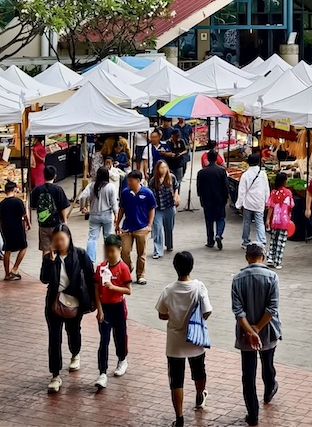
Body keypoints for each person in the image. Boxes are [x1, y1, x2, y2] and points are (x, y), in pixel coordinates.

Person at [156, 251, 213, 426]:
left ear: (175, 267)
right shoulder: (199, 287)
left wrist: (173, 317)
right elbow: (207, 311)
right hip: (195, 340)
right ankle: (199, 395)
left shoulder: (168, 290)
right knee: (199, 371)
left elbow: (161, 314)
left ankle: (179, 418)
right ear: (192, 267)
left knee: (176, 380)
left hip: (174, 343)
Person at [39, 223, 95, 394]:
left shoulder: (80, 254)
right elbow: (44, 279)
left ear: (69, 238)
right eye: (56, 240)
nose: (60, 243)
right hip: (54, 303)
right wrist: (50, 261)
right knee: (54, 338)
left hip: (74, 301)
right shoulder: (50, 257)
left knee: (73, 331)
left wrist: (93, 302)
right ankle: (55, 375)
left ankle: (75, 353)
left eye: (62, 239)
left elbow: (91, 277)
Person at [231, 243, 281, 426]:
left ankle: (252, 414)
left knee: (248, 373)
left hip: (245, 335)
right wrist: (258, 329)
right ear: (263, 256)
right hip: (267, 331)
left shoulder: (237, 279)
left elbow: (238, 312)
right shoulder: (272, 277)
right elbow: (272, 309)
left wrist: (250, 331)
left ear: (247, 257)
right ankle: (269, 389)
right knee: (268, 363)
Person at [93, 234, 132, 390]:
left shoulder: (123, 268)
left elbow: (129, 290)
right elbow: (96, 289)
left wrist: (113, 287)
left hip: (118, 308)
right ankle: (102, 373)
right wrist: (99, 309)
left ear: (119, 250)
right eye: (106, 251)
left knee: (120, 336)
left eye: (112, 251)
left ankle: (122, 359)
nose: (109, 254)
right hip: (105, 309)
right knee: (104, 340)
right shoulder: (101, 267)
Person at [115, 170, 156, 285]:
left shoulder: (147, 193)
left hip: (142, 228)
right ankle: (129, 266)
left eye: (131, 180)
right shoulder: (125, 193)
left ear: (138, 181)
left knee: (141, 253)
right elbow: (122, 209)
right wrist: (117, 223)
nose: (129, 182)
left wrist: (149, 224)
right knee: (124, 251)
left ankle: (140, 275)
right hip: (127, 227)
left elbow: (152, 208)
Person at [79, 167, 119, 262]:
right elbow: (114, 203)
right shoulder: (110, 187)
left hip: (94, 215)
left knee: (92, 238)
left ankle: (90, 259)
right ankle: (108, 259)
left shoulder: (91, 186)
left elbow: (82, 196)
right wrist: (116, 215)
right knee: (108, 238)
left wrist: (83, 207)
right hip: (107, 215)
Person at [31, 165, 70, 255]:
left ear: (43, 175)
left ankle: (46, 266)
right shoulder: (58, 189)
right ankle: (56, 266)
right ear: (55, 176)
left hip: (43, 224)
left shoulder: (37, 189)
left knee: (45, 249)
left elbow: (34, 206)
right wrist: (65, 220)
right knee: (58, 247)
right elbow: (62, 207)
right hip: (56, 224)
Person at [235, 153, 269, 248]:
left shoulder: (245, 175)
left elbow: (241, 191)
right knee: (259, 222)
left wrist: (238, 204)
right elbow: (266, 189)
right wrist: (267, 201)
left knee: (246, 222)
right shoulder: (263, 174)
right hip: (259, 202)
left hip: (248, 203)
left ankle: (246, 241)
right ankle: (261, 241)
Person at [197, 150, 229, 250]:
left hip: (207, 199)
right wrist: (227, 197)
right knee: (220, 218)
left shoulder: (201, 172)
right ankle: (219, 234)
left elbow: (199, 188)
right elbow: (225, 186)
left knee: (209, 220)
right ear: (216, 159)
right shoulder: (221, 171)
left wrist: (201, 198)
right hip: (220, 199)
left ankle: (210, 241)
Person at [0, 180, 30, 281]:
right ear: (14, 189)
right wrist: (28, 224)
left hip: (6, 228)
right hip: (18, 227)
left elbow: (0, 218)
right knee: (23, 247)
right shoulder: (18, 201)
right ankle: (15, 268)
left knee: (7, 250)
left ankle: (7, 274)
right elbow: (24, 215)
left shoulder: (2, 204)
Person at [151, 159, 180, 259]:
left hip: (169, 206)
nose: (163, 170)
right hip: (158, 208)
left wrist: (176, 196)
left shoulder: (171, 177)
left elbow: (176, 187)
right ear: (157, 169)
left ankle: (169, 244)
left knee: (169, 227)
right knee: (157, 229)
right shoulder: (153, 180)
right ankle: (158, 251)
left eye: (165, 167)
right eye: (161, 168)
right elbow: (150, 195)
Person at [265, 173, 294, 269]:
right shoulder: (288, 193)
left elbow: (270, 207)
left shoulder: (273, 192)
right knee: (281, 242)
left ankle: (270, 258)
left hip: (275, 220)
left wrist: (268, 219)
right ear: (284, 181)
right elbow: (290, 206)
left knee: (273, 239)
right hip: (284, 221)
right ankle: (277, 262)